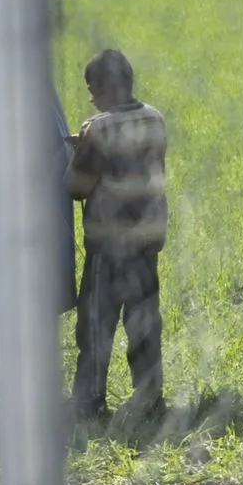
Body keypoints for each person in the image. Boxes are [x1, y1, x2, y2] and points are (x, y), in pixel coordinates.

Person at [66, 49, 167, 424]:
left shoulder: (100, 129)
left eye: (93, 89)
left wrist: (79, 150)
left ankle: (89, 404)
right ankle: (149, 399)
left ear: (107, 87)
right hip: (147, 239)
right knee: (144, 324)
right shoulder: (154, 117)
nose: (92, 98)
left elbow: (76, 187)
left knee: (96, 325)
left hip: (108, 245)